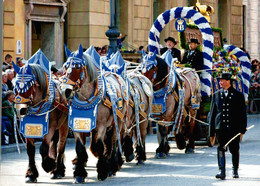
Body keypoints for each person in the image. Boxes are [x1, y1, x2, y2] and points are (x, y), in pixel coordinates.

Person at [209, 72, 247, 180]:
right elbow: (212, 114)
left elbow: (242, 114)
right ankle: (222, 171)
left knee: (234, 149)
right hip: (220, 127)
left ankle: (235, 170)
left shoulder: (238, 95)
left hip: (233, 127)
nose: (220, 82)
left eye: (222, 80)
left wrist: (242, 129)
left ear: (229, 81)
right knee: (221, 148)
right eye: (219, 80)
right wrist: (211, 132)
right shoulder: (216, 94)